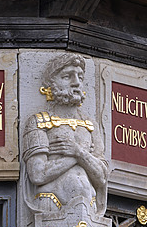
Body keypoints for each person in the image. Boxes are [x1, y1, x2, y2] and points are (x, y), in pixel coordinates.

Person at [23, 53, 108, 214]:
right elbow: (38, 174)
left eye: (80, 77)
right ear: (52, 84)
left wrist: (78, 152)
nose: (76, 83)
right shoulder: (39, 121)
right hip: (51, 202)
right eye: (67, 76)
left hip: (88, 208)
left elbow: (102, 177)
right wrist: (78, 156)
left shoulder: (91, 126)